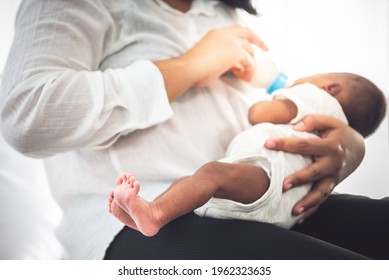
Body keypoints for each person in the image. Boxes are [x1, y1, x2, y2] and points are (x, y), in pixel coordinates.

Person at [1, 0, 388, 260]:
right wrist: (188, 67)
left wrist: (350, 145)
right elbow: (25, 116)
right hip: (133, 219)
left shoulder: (224, 12)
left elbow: (260, 117)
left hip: (248, 200)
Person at [108, 72, 387, 236]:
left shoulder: (317, 98)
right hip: (283, 205)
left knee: (211, 174)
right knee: (192, 182)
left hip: (267, 179)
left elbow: (259, 114)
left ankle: (154, 211)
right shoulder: (331, 127)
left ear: (331, 87)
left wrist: (279, 97)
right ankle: (144, 212)